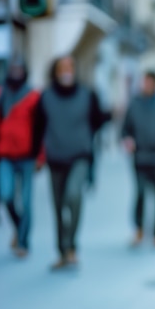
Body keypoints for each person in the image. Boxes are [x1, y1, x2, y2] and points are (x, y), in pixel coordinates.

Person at [34, 55, 106, 270]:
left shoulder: (87, 94)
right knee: (58, 207)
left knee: (73, 196)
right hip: (55, 158)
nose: (66, 71)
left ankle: (72, 246)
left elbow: (97, 122)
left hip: (79, 156)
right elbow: (38, 128)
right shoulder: (45, 97)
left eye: (70, 67)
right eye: (61, 68)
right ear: (55, 72)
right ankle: (62, 251)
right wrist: (36, 156)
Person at [121, 71, 155, 247]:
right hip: (139, 157)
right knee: (141, 193)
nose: (146, 85)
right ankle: (139, 229)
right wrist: (128, 140)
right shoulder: (134, 104)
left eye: (150, 82)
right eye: (144, 82)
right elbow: (125, 129)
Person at [0, 57, 42, 257]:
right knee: (6, 195)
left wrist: (41, 156)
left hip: (27, 156)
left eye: (19, 68)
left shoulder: (33, 96)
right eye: (12, 68)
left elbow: (40, 129)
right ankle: (17, 227)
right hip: (5, 154)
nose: (15, 72)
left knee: (26, 200)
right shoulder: (0, 93)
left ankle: (23, 241)